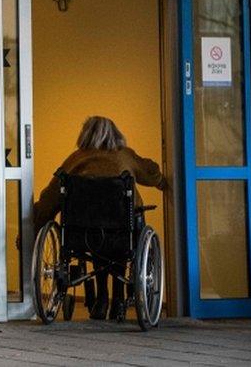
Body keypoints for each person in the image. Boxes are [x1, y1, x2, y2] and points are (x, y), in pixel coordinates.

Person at [33, 116, 167, 321]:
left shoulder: (75, 159)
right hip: (122, 231)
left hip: (83, 234)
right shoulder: (125, 156)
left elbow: (51, 197)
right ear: (116, 134)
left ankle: (102, 297)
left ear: (85, 135)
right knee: (120, 235)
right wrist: (162, 180)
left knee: (97, 238)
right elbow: (152, 173)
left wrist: (36, 224)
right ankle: (119, 299)